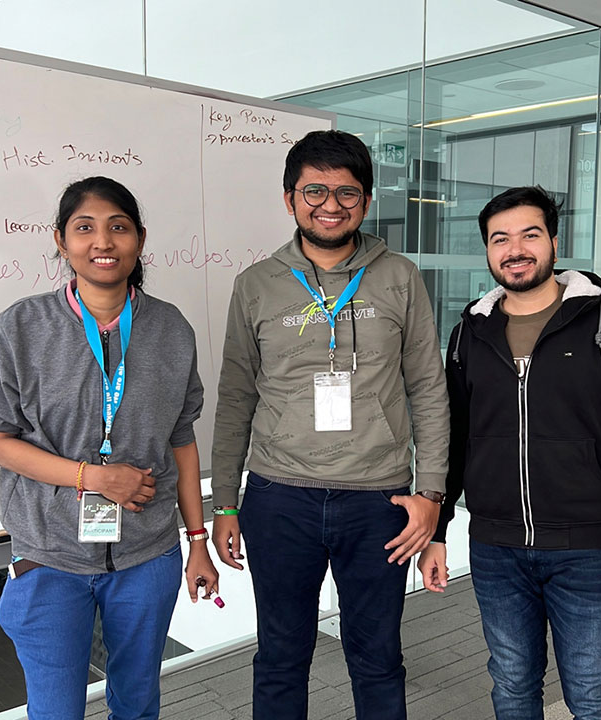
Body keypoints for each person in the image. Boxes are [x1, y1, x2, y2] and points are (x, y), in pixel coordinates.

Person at [211, 129, 449, 720]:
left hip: (380, 501)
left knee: (377, 658)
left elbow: (428, 388)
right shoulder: (256, 284)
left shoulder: (399, 276)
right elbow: (235, 398)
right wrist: (224, 504)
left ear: (365, 201)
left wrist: (431, 495)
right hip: (278, 496)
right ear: (289, 198)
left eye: (346, 192)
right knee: (281, 656)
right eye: (314, 189)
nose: (330, 204)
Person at [418, 185, 601, 720]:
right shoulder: (469, 334)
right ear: (488, 252)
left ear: (554, 244)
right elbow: (453, 438)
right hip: (495, 551)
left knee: (592, 693)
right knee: (512, 687)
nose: (515, 249)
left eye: (529, 235)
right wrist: (439, 530)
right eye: (500, 239)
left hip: (586, 551)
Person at [0, 176, 218, 720]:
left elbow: (181, 439)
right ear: (61, 241)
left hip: (148, 555)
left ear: (139, 238)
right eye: (84, 228)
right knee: (55, 711)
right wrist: (92, 477)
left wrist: (198, 540)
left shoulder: (171, 329)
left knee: (137, 705)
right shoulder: (22, 324)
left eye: (118, 227)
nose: (103, 242)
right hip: (48, 556)